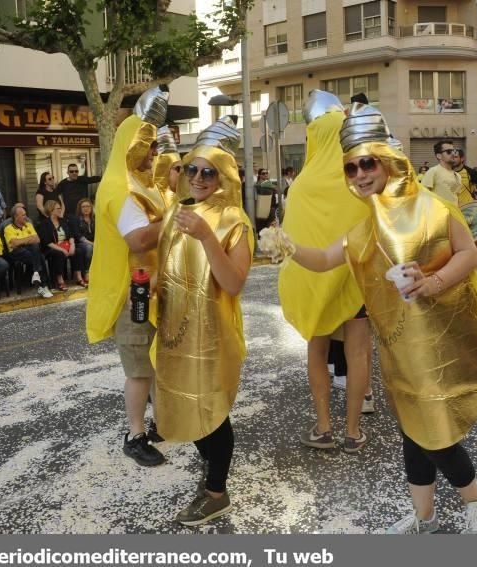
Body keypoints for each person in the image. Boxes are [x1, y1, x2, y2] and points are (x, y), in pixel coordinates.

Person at [265, 102, 477, 534]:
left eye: (366, 163)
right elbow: (325, 259)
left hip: (440, 342)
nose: (359, 176)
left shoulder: (432, 207)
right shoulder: (367, 223)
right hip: (398, 347)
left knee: (437, 432)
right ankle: (424, 517)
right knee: (413, 429)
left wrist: (434, 281)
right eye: (350, 169)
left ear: (387, 159)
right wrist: (289, 246)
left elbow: (469, 254)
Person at [154, 114, 254, 526]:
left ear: (223, 177)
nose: (197, 177)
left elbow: (232, 283)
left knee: (212, 412)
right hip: (175, 332)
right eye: (191, 168)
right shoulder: (177, 211)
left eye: (207, 172)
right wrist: (146, 290)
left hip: (213, 334)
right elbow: (168, 268)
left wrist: (207, 236)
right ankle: (212, 472)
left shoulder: (234, 221)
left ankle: (216, 491)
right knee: (186, 404)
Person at [86, 87, 180, 469]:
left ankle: (157, 423)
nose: (153, 153)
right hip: (135, 289)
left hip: (152, 284)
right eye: (147, 146)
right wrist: (178, 221)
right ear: (129, 146)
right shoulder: (120, 189)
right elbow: (139, 237)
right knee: (140, 367)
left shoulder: (141, 185)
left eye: (154, 147)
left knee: (156, 358)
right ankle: (135, 434)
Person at [277, 90, 373, 454]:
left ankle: (323, 427)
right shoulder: (360, 180)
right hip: (354, 281)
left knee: (317, 351)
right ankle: (353, 432)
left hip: (313, 277)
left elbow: (292, 237)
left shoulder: (301, 185)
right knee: (359, 353)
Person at [4, 204, 52, 298]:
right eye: (23, 215)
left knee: (36, 250)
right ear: (16, 217)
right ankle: (43, 285)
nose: (26, 217)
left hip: (30, 250)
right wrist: (28, 240)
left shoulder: (29, 225)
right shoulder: (8, 228)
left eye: (25, 214)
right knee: (39, 256)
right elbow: (14, 244)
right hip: (16, 252)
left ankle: (37, 277)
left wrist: (21, 241)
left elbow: (37, 239)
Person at [37, 201, 84, 291]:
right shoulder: (44, 224)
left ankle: (79, 277)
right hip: (52, 248)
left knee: (78, 251)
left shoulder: (63, 221)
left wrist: (72, 245)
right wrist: (62, 250)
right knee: (58, 253)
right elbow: (47, 242)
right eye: (58, 208)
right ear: (51, 210)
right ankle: (60, 280)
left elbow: (70, 235)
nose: (60, 210)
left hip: (65, 245)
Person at [420, 140, 461, 204]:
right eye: (449, 152)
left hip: (454, 213)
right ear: (439, 156)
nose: (453, 154)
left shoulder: (457, 176)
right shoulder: (433, 172)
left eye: (454, 151)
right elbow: (422, 196)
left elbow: (456, 199)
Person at [75, 198, 95, 282]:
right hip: (81, 243)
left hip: (94, 242)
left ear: (91, 208)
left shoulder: (96, 219)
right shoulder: (76, 220)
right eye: (83, 207)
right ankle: (87, 272)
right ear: (80, 208)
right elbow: (79, 236)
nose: (86, 208)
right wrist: (92, 243)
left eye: (88, 206)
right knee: (89, 247)